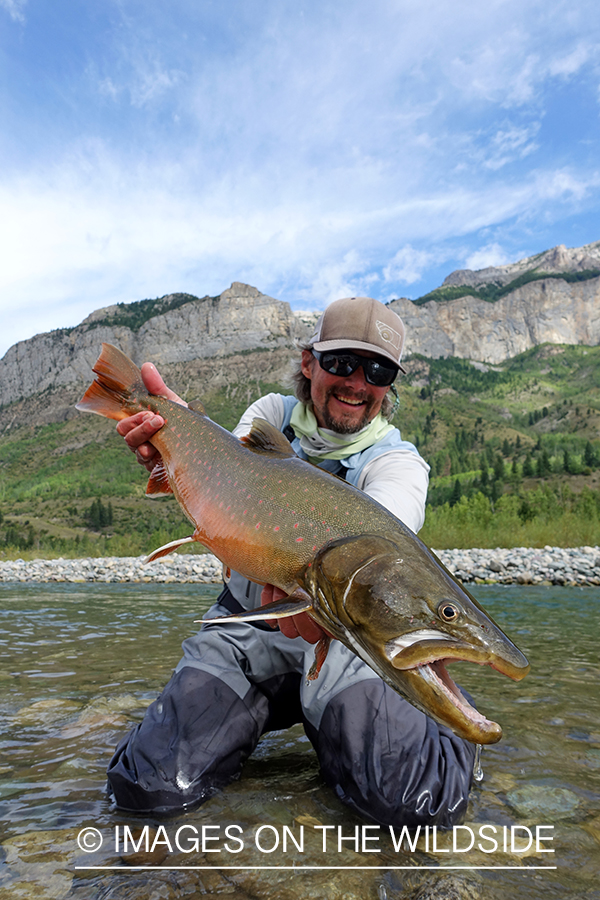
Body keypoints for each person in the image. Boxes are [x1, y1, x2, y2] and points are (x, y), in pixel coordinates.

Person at [107, 296, 476, 825]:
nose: (357, 382)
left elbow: (381, 549)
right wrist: (175, 441)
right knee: (148, 788)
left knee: (408, 803)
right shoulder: (269, 416)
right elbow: (225, 485)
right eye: (341, 363)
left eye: (377, 370)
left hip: (346, 637)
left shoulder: (398, 464)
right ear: (309, 364)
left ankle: (453, 740)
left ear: (389, 385)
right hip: (247, 626)